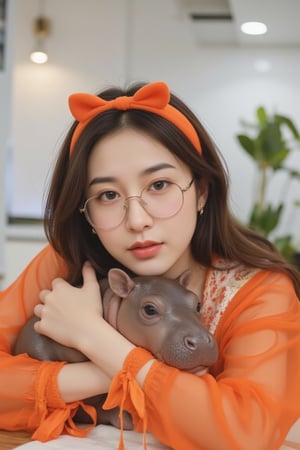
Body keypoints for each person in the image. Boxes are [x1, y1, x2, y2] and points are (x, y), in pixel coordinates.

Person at [0, 81, 299, 450]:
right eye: (108, 195)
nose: (137, 219)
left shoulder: (259, 292)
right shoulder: (68, 264)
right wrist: (100, 372)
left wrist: (94, 337)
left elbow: (245, 432)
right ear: (86, 212)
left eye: (159, 185)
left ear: (202, 191)